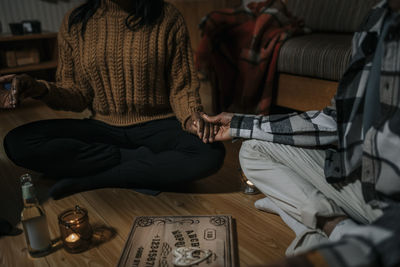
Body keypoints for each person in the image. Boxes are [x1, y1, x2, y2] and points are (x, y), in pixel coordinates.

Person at [202, 0, 400, 266]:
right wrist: (239, 124)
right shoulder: (378, 18)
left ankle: (299, 212)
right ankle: (337, 226)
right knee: (252, 148)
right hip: (359, 179)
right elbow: (331, 122)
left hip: (392, 210)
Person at [0, 0, 225, 200]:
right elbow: (76, 96)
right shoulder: (75, 22)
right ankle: (141, 164)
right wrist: (38, 88)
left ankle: (95, 178)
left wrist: (191, 116)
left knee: (210, 154)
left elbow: (181, 86)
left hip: (158, 125)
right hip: (103, 128)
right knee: (17, 143)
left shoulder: (167, 16)